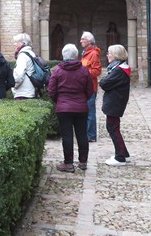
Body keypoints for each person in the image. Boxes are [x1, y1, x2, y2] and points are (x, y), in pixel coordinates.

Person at [47, 43, 95, 172]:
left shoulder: (57, 70)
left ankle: (68, 163)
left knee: (67, 136)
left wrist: (59, 101)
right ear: (76, 55)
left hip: (63, 108)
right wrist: (82, 99)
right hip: (80, 107)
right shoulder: (84, 70)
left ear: (63, 55)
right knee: (82, 134)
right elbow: (90, 90)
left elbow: (51, 90)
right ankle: (83, 162)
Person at [100, 44, 132, 166]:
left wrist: (104, 81)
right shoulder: (117, 68)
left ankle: (120, 157)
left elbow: (104, 83)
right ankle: (124, 153)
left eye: (110, 53)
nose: (107, 55)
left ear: (116, 55)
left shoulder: (119, 70)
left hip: (115, 103)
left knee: (112, 128)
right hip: (116, 102)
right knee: (114, 128)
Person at [79, 31, 102, 142]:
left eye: (83, 39)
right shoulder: (85, 52)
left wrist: (84, 74)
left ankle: (91, 135)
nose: (81, 41)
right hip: (85, 87)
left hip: (91, 87)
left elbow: (97, 71)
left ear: (89, 41)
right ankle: (87, 133)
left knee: (90, 111)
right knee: (86, 111)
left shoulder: (93, 54)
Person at [11, 33, 37, 100]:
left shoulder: (22, 56)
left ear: (22, 43)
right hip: (30, 90)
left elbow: (19, 76)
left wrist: (13, 87)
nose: (14, 44)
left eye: (16, 42)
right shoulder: (31, 53)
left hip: (23, 93)